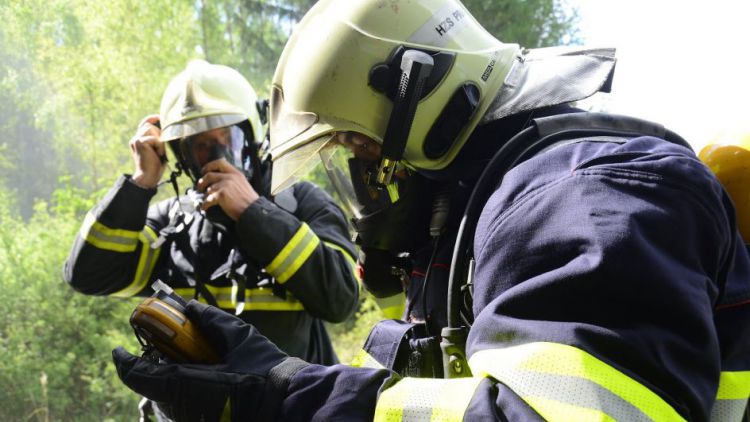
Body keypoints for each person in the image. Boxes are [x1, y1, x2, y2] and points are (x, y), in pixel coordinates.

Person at [111, 1, 750, 421]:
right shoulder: (469, 213)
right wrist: (270, 374)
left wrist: (290, 397)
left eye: (358, 144)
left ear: (430, 94)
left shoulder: (587, 193)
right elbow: (431, 387)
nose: (363, 175)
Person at [64, 59, 361, 367]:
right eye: (202, 145)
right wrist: (140, 183)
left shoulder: (302, 203)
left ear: (252, 139)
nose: (219, 156)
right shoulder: (169, 224)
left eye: (228, 138)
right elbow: (88, 276)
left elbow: (340, 300)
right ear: (182, 156)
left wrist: (254, 213)